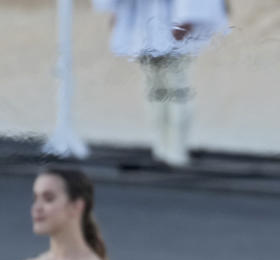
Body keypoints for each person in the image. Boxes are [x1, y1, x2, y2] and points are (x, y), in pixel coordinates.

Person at [92, 0, 229, 166]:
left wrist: (186, 20)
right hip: (145, 27)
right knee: (155, 90)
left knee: (176, 90)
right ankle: (161, 149)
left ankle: (176, 151)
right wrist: (119, 13)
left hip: (173, 23)